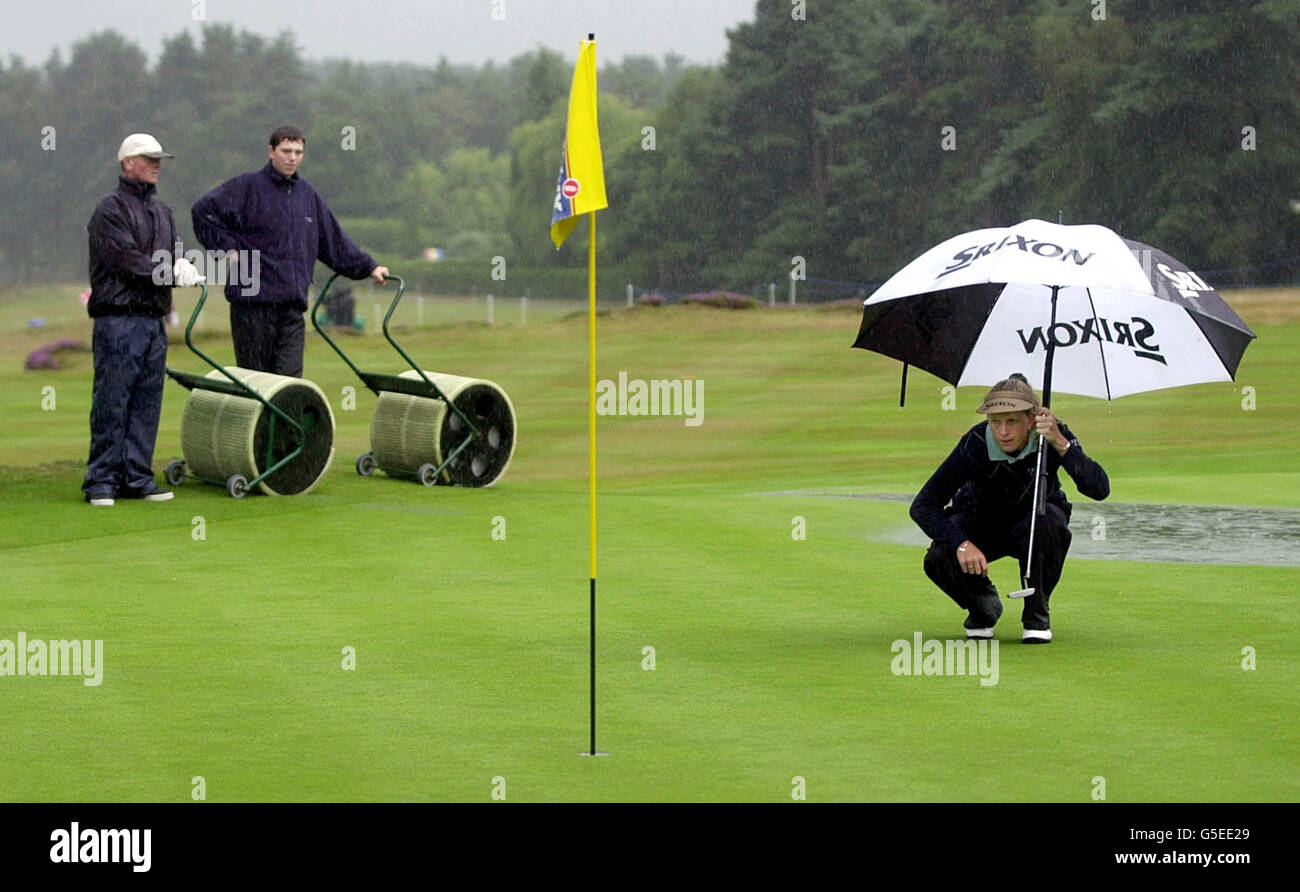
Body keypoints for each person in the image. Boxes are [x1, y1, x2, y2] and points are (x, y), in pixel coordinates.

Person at [909, 374, 1109, 643]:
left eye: (1012, 421)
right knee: (939, 556)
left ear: (1031, 419)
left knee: (1049, 521)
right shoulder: (976, 443)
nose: (1003, 432)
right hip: (981, 522)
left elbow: (1099, 489)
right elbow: (923, 506)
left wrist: (1060, 442)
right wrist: (961, 544)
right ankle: (983, 607)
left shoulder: (1050, 435)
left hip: (1033, 525)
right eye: (995, 422)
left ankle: (1036, 615)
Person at [191, 125, 388, 377]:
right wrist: (229, 250)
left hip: (292, 309)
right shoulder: (246, 187)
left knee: (289, 389)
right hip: (252, 309)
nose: (292, 157)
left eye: (298, 152)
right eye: (286, 151)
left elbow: (333, 241)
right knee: (256, 386)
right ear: (271, 151)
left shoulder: (307, 195)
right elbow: (202, 212)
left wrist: (369, 267)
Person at [83, 133, 204, 507]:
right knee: (113, 399)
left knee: (146, 401)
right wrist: (171, 271)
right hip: (119, 319)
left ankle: (136, 477)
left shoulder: (162, 211)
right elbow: (130, 262)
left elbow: (175, 249)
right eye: (149, 158)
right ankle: (101, 480)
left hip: (153, 320)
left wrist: (184, 261)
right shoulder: (110, 210)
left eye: (159, 159)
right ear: (128, 162)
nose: (157, 164)